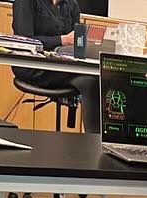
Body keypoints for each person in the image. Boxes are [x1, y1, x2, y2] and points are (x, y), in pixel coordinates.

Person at [11, 0, 102, 135]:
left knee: (91, 80)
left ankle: (97, 140)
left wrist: (84, 41)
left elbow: (75, 42)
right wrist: (62, 40)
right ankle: (96, 138)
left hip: (64, 63)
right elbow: (24, 40)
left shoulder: (71, 4)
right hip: (32, 65)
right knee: (93, 76)